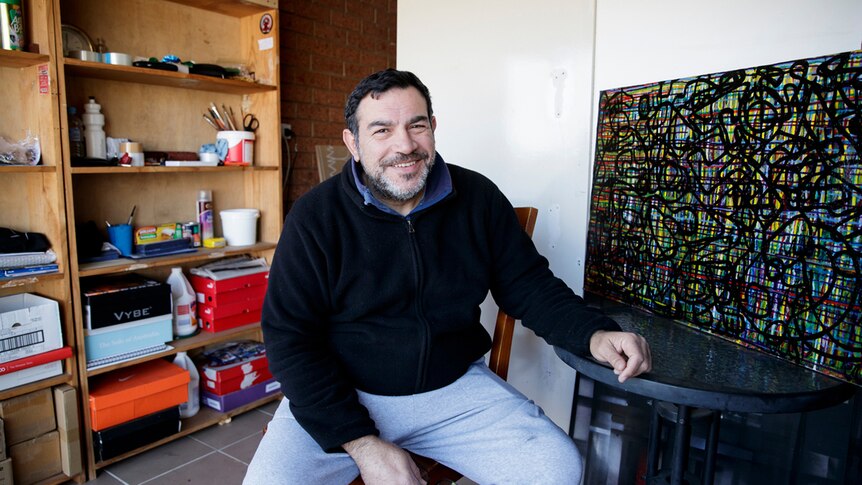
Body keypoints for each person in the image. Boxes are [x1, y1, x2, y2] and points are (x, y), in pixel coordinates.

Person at [245, 69, 651, 485]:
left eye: (416, 125)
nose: (404, 145)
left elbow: (530, 287)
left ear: (433, 128)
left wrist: (594, 334)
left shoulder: (478, 198)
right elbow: (289, 337)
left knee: (556, 469)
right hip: (344, 392)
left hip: (453, 390)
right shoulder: (315, 217)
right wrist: (362, 443)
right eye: (381, 130)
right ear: (353, 142)